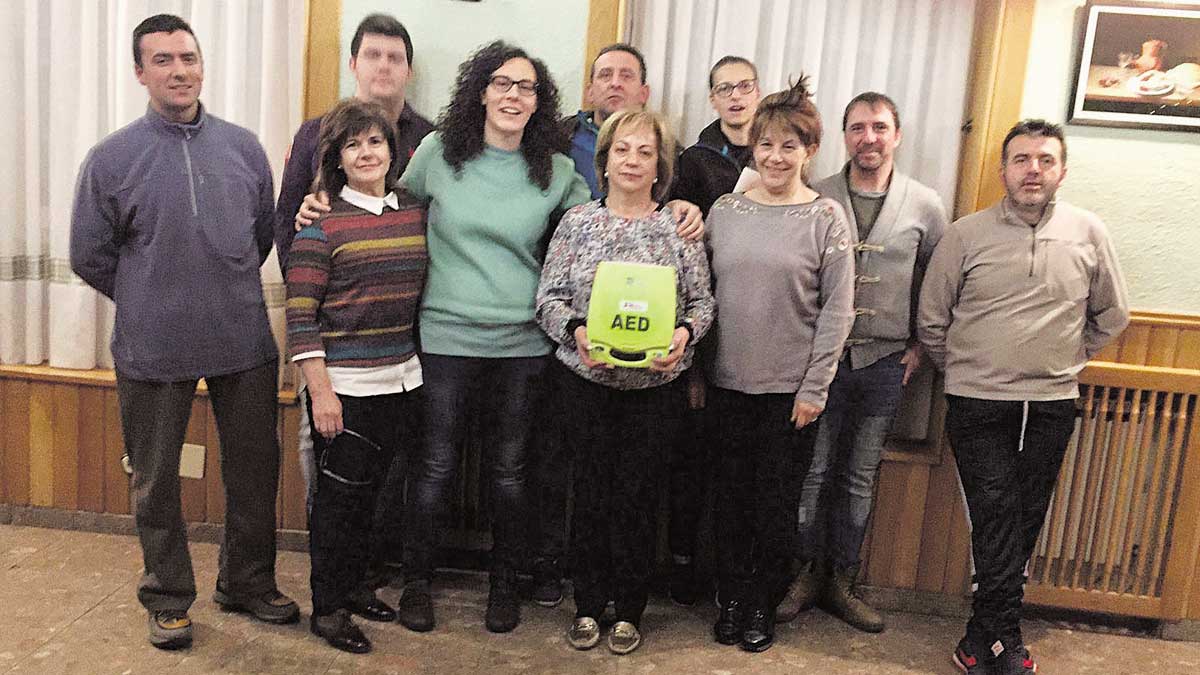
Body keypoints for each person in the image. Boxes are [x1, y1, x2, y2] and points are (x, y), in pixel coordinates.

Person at [69, 14, 298, 651]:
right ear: (140, 73)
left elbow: (257, 240)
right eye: (164, 60)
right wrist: (150, 295)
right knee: (155, 476)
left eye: (189, 58)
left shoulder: (245, 147)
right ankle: (168, 596)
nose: (180, 70)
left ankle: (247, 582)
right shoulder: (111, 158)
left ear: (202, 65)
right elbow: (89, 254)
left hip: (243, 340)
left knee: (255, 471)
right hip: (153, 347)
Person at [368, 40, 591, 636]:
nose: (514, 95)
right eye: (502, 83)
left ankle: (505, 586)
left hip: (523, 346)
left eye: (526, 87)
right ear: (481, 91)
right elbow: (388, 211)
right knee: (435, 468)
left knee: (509, 474)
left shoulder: (559, 171)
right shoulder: (438, 153)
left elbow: (601, 233)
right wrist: (321, 204)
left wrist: (677, 212)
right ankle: (417, 582)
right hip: (443, 337)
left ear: (539, 102)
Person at [918, 119, 1129, 675]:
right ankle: (1004, 640)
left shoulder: (1088, 232)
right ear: (1003, 169)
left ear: (1061, 168)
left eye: (1045, 159)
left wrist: (1063, 356)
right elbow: (932, 319)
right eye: (1021, 159)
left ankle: (978, 638)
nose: (1033, 169)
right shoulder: (966, 234)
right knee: (995, 516)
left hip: (1052, 402)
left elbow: (1113, 314)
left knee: (1025, 517)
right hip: (977, 403)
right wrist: (969, 368)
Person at [528, 41, 705, 611]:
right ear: (604, 160)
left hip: (655, 389)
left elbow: (702, 303)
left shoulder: (679, 229)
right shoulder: (578, 222)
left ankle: (628, 611)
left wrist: (684, 337)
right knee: (591, 499)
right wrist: (576, 332)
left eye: (645, 152)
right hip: (585, 384)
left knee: (639, 501)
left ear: (661, 165)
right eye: (621, 150)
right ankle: (587, 606)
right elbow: (548, 297)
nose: (632, 160)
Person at [275, 16, 433, 592]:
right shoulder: (315, 139)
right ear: (354, 64)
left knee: (383, 483)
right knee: (334, 483)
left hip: (401, 365)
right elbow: (289, 227)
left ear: (409, 69)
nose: (384, 66)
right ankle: (332, 592)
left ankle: (362, 579)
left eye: (395, 56)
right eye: (373, 54)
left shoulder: (429, 148)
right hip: (338, 363)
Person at [781, 92, 948, 632]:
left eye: (879, 127)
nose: (868, 138)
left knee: (858, 476)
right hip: (820, 363)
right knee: (813, 472)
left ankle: (842, 580)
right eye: (857, 128)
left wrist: (921, 343)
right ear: (844, 136)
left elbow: (936, 280)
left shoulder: (925, 204)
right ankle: (803, 574)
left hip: (884, 364)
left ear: (896, 134)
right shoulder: (816, 194)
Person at [705, 76, 855, 653]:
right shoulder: (725, 210)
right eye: (766, 144)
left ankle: (762, 605)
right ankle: (733, 598)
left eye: (789, 145)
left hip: (791, 394)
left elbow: (838, 314)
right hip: (724, 385)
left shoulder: (826, 219)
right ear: (753, 148)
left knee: (774, 508)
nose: (775, 156)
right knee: (729, 504)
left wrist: (814, 388)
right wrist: (697, 377)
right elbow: (702, 295)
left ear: (809, 151)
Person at [662, 54, 762, 607]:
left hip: (760, 338)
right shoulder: (692, 162)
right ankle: (683, 565)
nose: (736, 96)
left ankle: (733, 577)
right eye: (725, 88)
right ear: (712, 98)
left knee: (740, 470)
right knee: (690, 464)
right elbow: (681, 255)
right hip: (702, 332)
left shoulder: (777, 153)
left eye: (745, 86)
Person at [563, 43, 651, 198]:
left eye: (626, 76)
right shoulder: (559, 138)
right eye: (605, 75)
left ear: (644, 94)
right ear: (590, 92)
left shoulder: (664, 150)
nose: (615, 83)